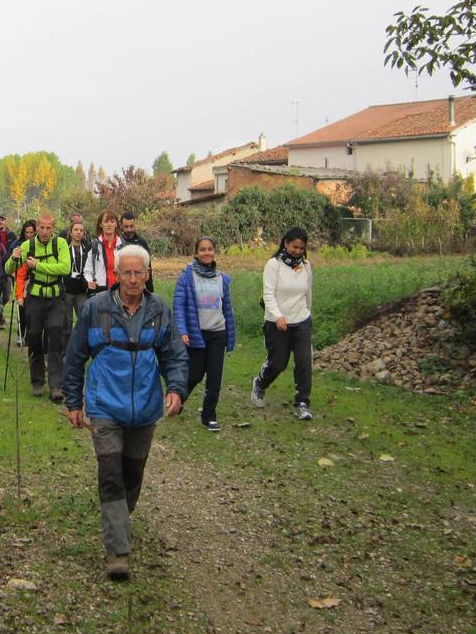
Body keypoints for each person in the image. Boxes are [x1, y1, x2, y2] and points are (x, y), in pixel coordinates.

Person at [62, 244, 188, 581]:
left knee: (132, 473)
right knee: (111, 472)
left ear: (148, 274)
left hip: (145, 408)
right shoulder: (95, 309)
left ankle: (119, 519)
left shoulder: (159, 309)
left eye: (139, 273)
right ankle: (118, 551)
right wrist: (74, 402)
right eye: (126, 273)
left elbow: (175, 355)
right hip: (105, 405)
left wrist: (176, 389)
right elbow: (75, 358)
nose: (133, 279)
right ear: (116, 274)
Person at [173, 236, 236, 431]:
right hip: (196, 333)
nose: (207, 252)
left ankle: (209, 416)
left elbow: (227, 308)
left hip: (218, 332)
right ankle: (178, 400)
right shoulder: (187, 277)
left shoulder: (222, 279)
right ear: (196, 253)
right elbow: (179, 306)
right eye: (203, 249)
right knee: (195, 374)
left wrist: (230, 336)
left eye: (210, 249)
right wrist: (182, 330)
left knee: (215, 376)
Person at [251, 227, 315, 420]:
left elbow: (308, 292)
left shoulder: (306, 266)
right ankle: (260, 384)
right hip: (277, 322)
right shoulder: (274, 265)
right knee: (278, 363)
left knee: (304, 362)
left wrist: (308, 312)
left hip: (301, 320)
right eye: (294, 246)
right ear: (285, 243)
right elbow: (268, 294)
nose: (297, 251)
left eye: (301, 248)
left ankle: (302, 402)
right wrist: (278, 316)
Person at [6, 213, 70, 401]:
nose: (44, 231)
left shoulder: (60, 244)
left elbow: (65, 268)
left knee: (55, 336)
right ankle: (37, 381)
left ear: (53, 228)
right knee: (34, 337)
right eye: (41, 228)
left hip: (56, 298)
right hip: (34, 298)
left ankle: (56, 385)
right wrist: (13, 258)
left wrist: (39, 265)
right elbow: (9, 269)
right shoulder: (28, 246)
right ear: (37, 228)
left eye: (48, 228)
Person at [62, 221, 92, 355]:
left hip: (81, 291)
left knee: (84, 319)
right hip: (67, 291)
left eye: (81, 230)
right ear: (71, 232)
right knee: (67, 323)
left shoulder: (87, 250)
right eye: (76, 230)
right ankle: (66, 352)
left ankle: (81, 350)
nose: (79, 232)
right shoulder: (64, 249)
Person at [10, 219, 36, 346]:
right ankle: (21, 334)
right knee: (22, 307)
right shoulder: (18, 245)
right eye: (27, 232)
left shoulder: (38, 245)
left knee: (32, 310)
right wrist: (12, 270)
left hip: (34, 280)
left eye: (32, 232)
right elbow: (9, 260)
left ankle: (30, 336)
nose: (29, 235)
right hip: (22, 279)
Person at [84, 209, 122, 294]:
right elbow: (87, 271)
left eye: (112, 221)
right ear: (101, 224)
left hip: (120, 290)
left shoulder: (123, 246)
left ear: (116, 224)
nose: (109, 224)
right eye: (106, 221)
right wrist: (90, 281)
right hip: (100, 291)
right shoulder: (93, 245)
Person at [119, 212, 154, 293]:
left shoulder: (141, 242)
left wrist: (150, 290)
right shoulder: (117, 242)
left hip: (137, 285)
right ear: (121, 226)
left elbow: (148, 266)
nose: (129, 229)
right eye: (126, 227)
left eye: (131, 226)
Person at [0, 215, 16, 327]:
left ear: (6, 222)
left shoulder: (11, 235)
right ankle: (0, 315)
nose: (1, 222)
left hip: (8, 269)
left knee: (7, 295)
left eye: (2, 220)